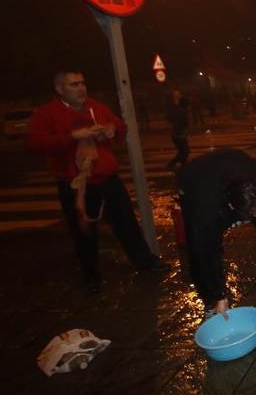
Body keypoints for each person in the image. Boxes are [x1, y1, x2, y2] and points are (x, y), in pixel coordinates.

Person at [27, 70, 166, 294]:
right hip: (77, 184)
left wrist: (112, 130)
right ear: (60, 89)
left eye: (82, 83)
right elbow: (34, 144)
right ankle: (91, 276)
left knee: (126, 222)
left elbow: (120, 127)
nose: (81, 88)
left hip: (108, 179)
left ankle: (144, 261)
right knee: (84, 230)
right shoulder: (47, 113)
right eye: (74, 85)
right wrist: (73, 137)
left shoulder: (95, 107)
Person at [177, 148, 256, 318]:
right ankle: (209, 301)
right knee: (198, 247)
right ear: (232, 207)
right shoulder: (207, 207)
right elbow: (209, 252)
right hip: (194, 180)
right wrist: (219, 295)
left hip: (235, 162)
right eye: (251, 214)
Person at [165, 89, 190, 171]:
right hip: (177, 131)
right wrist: (175, 123)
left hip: (182, 129)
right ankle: (178, 165)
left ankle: (180, 165)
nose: (178, 95)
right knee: (184, 151)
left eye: (179, 93)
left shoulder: (183, 104)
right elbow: (169, 117)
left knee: (184, 151)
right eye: (176, 94)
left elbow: (185, 114)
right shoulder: (172, 106)